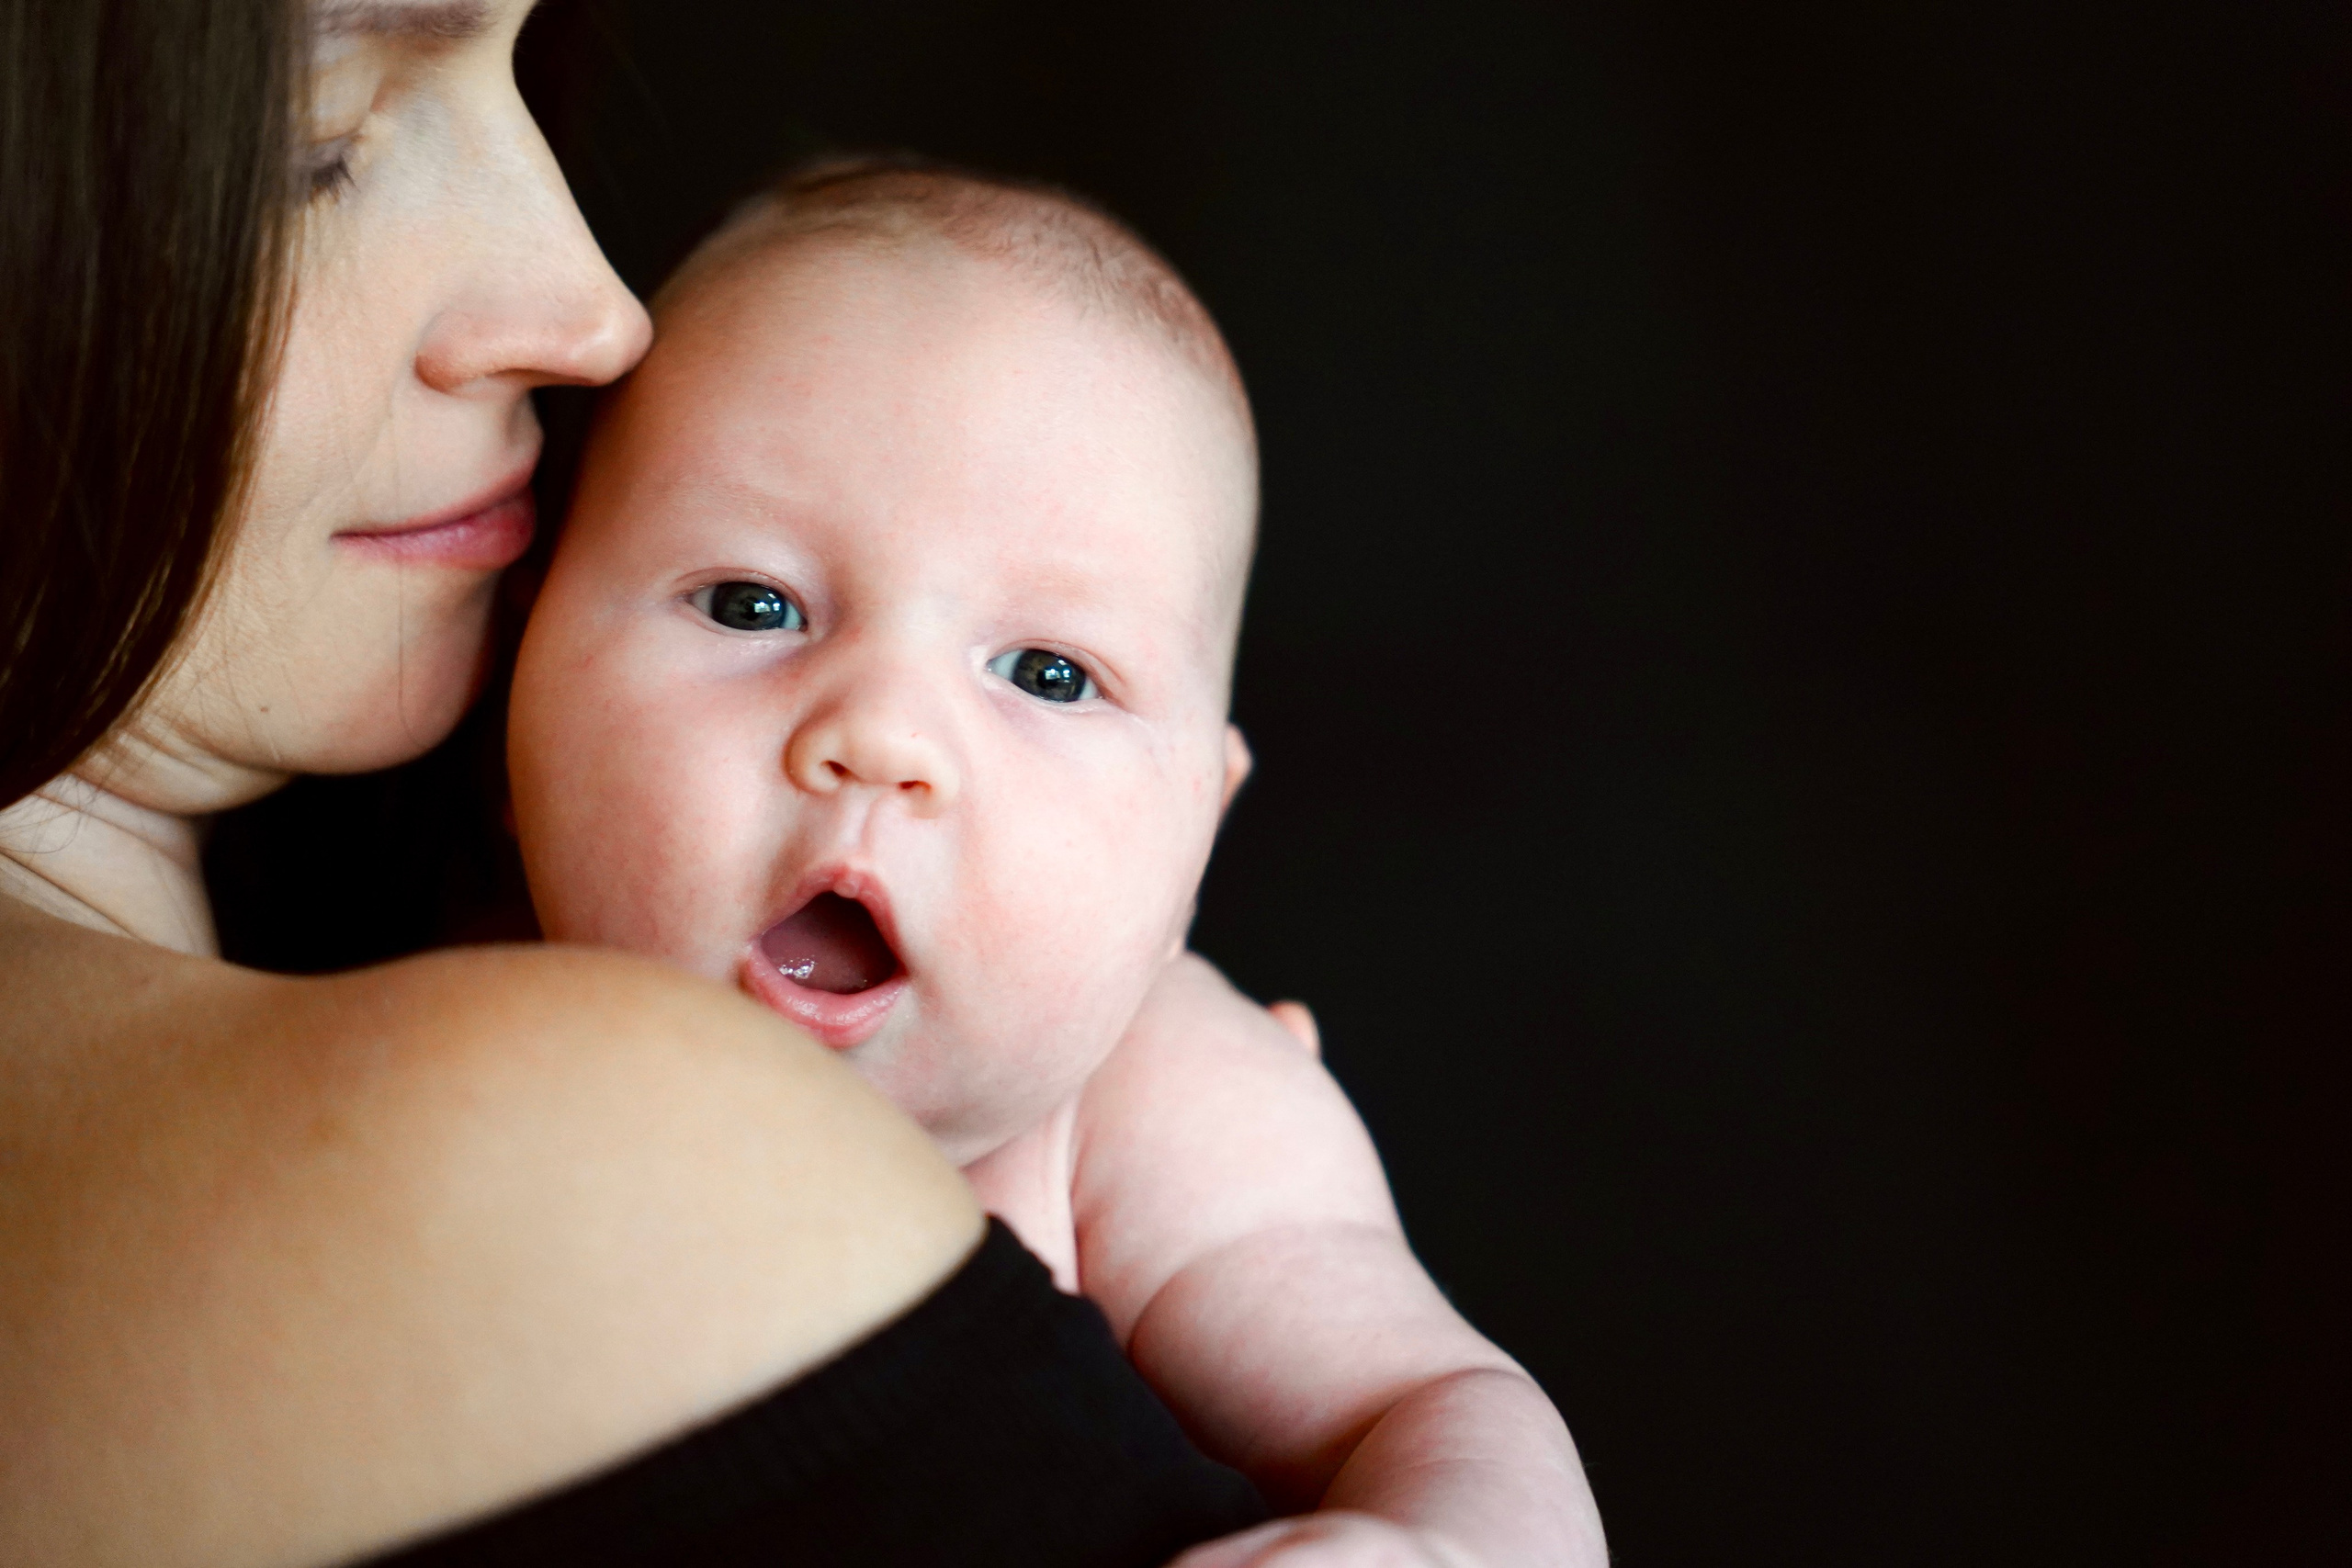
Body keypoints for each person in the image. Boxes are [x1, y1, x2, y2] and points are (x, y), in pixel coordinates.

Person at [0, 4, 1265, 1564]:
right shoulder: (584, 1153)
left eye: (1050, 676)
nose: (595, 319)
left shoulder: (1190, 1128)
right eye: (315, 157)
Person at [507, 160, 1611, 1566]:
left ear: (1191, 851)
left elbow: (1424, 1398)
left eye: (1047, 672)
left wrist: (1430, 1549)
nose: (884, 736)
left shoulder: (1147, 1102)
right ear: (518, 681)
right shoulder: (392, 1024)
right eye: (754, 602)